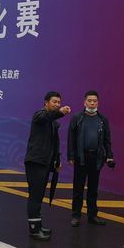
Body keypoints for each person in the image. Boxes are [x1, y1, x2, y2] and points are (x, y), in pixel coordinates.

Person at [25, 91, 71, 240]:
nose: (57, 105)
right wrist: (61, 113)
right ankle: (34, 230)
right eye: (54, 102)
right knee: (35, 196)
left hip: (44, 163)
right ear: (46, 103)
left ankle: (38, 225)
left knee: (39, 196)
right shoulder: (39, 115)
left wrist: (56, 161)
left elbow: (53, 145)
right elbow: (46, 117)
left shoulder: (52, 123)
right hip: (35, 162)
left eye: (59, 102)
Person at [67, 90, 114, 227]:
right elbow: (71, 139)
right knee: (78, 189)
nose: (92, 103)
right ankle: (76, 216)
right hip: (81, 157)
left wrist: (109, 156)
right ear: (84, 102)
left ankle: (92, 215)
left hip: (96, 158)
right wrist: (71, 156)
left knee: (93, 189)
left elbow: (107, 140)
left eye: (94, 101)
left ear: (98, 103)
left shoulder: (103, 119)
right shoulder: (77, 118)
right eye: (89, 101)